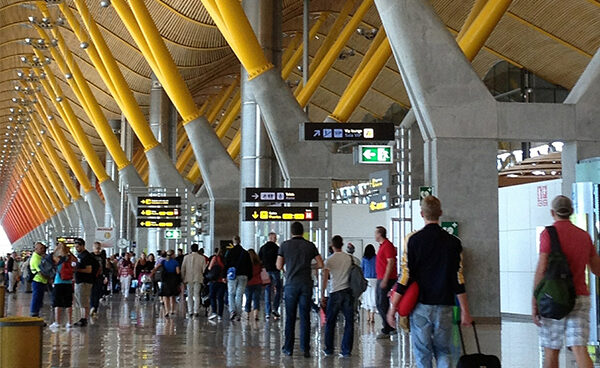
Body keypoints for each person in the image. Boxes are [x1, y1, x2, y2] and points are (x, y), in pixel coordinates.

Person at [387, 196, 473, 368]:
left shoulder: (414, 240)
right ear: (440, 213)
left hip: (420, 305)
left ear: (421, 214)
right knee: (443, 351)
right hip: (445, 304)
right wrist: (465, 311)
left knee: (422, 352)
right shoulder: (454, 243)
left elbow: (406, 276)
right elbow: (458, 278)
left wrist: (393, 307)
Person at [532, 195, 600, 368]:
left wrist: (535, 302)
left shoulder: (548, 234)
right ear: (571, 212)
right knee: (579, 349)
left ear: (552, 212)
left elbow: (541, 269)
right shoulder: (584, 236)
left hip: (553, 297)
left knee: (551, 350)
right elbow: (596, 269)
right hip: (580, 297)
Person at [277, 222, 324, 358]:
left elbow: (278, 265)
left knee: (290, 317)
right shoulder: (310, 245)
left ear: (291, 232)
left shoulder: (284, 245)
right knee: (305, 317)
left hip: (291, 284)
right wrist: (310, 267)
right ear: (302, 232)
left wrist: (287, 270)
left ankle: (288, 348)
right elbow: (321, 264)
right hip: (306, 284)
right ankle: (305, 348)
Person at [321, 235, 360, 357]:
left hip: (334, 292)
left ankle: (329, 349)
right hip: (347, 292)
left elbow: (325, 279)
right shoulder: (349, 258)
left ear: (332, 246)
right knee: (349, 322)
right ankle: (346, 350)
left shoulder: (329, 260)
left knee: (330, 322)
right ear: (342, 245)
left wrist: (322, 294)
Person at [375, 226, 398, 339]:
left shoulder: (387, 245)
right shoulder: (382, 246)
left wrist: (385, 279)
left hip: (386, 279)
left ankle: (389, 328)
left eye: (376, 233)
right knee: (380, 303)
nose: (375, 235)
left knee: (382, 303)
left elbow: (391, 262)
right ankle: (388, 327)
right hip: (382, 277)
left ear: (380, 234)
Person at [49, 242, 77, 329]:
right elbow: (76, 261)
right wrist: (69, 251)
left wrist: (57, 249)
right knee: (68, 304)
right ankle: (69, 322)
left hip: (58, 282)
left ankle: (57, 322)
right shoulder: (69, 258)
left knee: (57, 303)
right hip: (68, 283)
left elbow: (51, 258)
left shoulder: (57, 258)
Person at [224, 236, 252, 321]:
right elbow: (249, 266)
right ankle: (238, 315)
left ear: (233, 242)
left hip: (232, 275)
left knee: (231, 294)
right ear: (240, 241)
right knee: (239, 295)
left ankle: (232, 311)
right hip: (243, 276)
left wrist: (223, 276)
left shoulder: (229, 252)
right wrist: (249, 276)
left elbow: (226, 264)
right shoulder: (245, 253)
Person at [73, 238, 96, 327]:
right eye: (75, 246)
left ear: (82, 245)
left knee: (84, 300)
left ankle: (84, 318)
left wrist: (77, 269)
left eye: (78, 246)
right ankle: (82, 318)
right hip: (80, 281)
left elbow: (89, 270)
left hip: (85, 281)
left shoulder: (86, 256)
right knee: (80, 301)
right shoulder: (80, 255)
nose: (76, 248)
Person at [259, 232, 282, 320]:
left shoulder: (263, 248)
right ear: (271, 237)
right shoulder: (277, 248)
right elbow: (280, 259)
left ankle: (268, 312)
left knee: (267, 291)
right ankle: (275, 308)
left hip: (266, 271)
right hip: (275, 271)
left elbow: (259, 260)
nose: (276, 239)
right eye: (275, 237)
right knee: (278, 289)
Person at [181, 243, 207, 318]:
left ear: (191, 249)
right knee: (197, 295)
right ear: (198, 249)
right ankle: (196, 311)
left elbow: (183, 268)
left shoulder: (186, 257)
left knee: (189, 295)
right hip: (198, 278)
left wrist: (183, 278)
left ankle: (190, 311)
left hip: (188, 278)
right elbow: (204, 269)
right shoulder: (202, 258)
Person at [29, 242, 49, 317]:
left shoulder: (39, 257)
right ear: (36, 249)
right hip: (38, 281)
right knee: (36, 298)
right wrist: (48, 278)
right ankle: (34, 313)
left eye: (43, 248)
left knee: (39, 298)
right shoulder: (36, 259)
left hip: (41, 281)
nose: (43, 250)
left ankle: (36, 313)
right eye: (41, 248)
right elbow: (41, 272)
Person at [159, 250, 181, 317]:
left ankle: (166, 311)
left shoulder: (163, 262)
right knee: (172, 296)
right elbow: (178, 272)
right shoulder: (175, 262)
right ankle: (172, 310)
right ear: (173, 255)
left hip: (165, 279)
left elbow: (157, 268)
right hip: (173, 279)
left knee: (165, 296)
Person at [208, 247, 227, 321]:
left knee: (212, 296)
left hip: (214, 280)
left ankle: (214, 312)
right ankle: (220, 315)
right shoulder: (225, 260)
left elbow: (209, 268)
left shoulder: (215, 258)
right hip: (222, 281)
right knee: (220, 298)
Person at [361, 244, 377, 323]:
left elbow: (362, 269)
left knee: (366, 298)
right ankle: (372, 316)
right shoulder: (376, 258)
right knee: (373, 298)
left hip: (366, 279)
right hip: (375, 279)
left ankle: (367, 316)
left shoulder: (364, 259)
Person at [244, 249, 263, 321]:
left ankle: (247, 315)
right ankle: (256, 315)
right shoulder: (258, 263)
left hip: (248, 283)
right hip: (257, 282)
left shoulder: (246, 264)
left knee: (248, 299)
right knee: (256, 299)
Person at [91, 242, 106, 316]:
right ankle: (92, 306)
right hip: (92, 276)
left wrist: (105, 276)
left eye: (99, 248)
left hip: (100, 276)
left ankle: (95, 308)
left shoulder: (102, 256)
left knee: (98, 292)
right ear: (93, 248)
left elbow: (104, 267)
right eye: (96, 248)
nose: (97, 249)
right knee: (92, 292)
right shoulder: (90, 256)